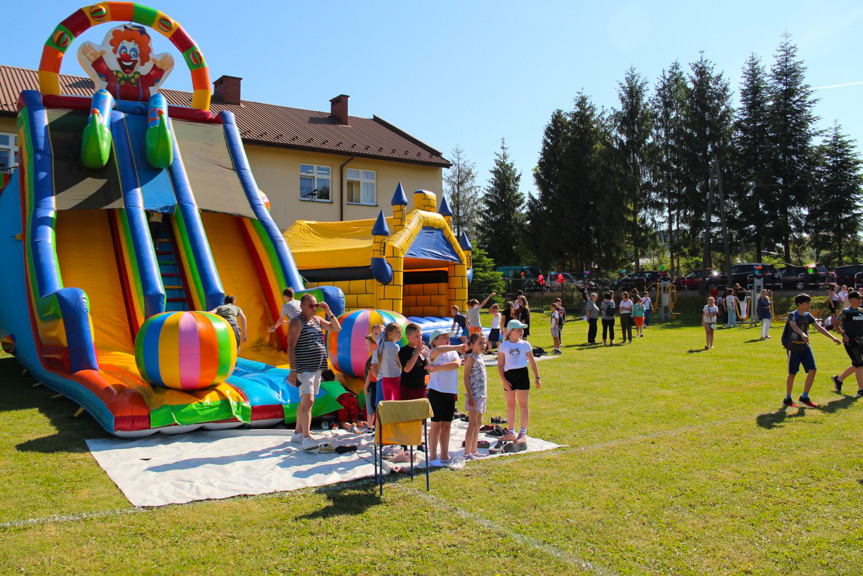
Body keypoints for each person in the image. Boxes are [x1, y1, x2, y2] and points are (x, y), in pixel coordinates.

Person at [287, 294, 341, 451]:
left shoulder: (317, 320)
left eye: (315, 305)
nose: (314, 308)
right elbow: (291, 347)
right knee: (309, 401)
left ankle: (297, 433)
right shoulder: (297, 322)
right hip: (304, 367)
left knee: (305, 401)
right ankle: (306, 437)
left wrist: (328, 310)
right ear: (302, 306)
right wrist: (292, 370)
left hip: (317, 367)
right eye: (310, 305)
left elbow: (336, 328)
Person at [783, 293, 840, 408]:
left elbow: (819, 328)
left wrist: (833, 338)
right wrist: (802, 333)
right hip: (794, 348)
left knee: (812, 370)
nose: (809, 305)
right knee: (792, 373)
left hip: (805, 348)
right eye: (807, 303)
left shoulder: (808, 316)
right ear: (799, 304)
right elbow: (793, 325)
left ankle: (805, 397)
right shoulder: (792, 315)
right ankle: (788, 398)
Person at [426, 329, 468, 467]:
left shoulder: (452, 352)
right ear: (435, 341)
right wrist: (457, 346)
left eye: (447, 337)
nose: (447, 340)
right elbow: (438, 350)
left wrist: (437, 367)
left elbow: (456, 364)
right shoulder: (434, 352)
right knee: (436, 425)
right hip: (436, 391)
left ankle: (444, 455)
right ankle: (432, 456)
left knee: (447, 425)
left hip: (450, 392)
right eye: (443, 337)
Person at [497, 320, 541, 447]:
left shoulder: (525, 344)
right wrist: (504, 381)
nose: (521, 332)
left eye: (522, 329)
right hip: (509, 377)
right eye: (518, 330)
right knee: (511, 405)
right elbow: (500, 365)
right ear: (511, 332)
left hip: (522, 375)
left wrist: (537, 377)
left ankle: (523, 433)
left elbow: (532, 361)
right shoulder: (504, 346)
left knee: (523, 405)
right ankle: (511, 432)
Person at [831, 291, 863, 398]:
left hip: (861, 341)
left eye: (861, 299)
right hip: (851, 342)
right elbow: (836, 324)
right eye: (858, 298)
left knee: (857, 363)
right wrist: (843, 334)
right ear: (851, 300)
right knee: (859, 364)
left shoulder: (861, 311)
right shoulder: (845, 312)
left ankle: (838, 379)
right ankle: (861, 389)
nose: (860, 300)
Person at [462, 333, 489, 460]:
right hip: (474, 395)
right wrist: (471, 396)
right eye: (480, 343)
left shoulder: (480, 357)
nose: (483, 346)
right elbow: (466, 377)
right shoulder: (471, 358)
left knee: (478, 423)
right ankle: (467, 452)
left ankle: (474, 449)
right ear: (472, 345)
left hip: (481, 395)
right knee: (472, 423)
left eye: (484, 343)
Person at [398, 323, 430, 401]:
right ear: (408, 337)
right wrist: (417, 352)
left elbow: (428, 368)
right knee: (408, 411)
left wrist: (428, 357)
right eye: (416, 336)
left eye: (420, 335)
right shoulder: (404, 350)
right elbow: (407, 369)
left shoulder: (423, 350)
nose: (420, 338)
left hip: (421, 386)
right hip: (408, 387)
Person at [376, 323, 403, 401]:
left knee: (387, 405)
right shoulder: (395, 347)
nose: (400, 334)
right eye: (398, 332)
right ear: (389, 334)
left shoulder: (381, 346)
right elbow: (400, 364)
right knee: (398, 403)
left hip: (385, 380)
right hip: (395, 379)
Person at [362, 335, 377, 429]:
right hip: (373, 384)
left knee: (370, 408)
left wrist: (366, 386)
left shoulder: (374, 358)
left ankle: (369, 427)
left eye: (368, 344)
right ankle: (371, 426)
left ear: (374, 344)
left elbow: (369, 374)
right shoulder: (374, 356)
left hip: (371, 385)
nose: (366, 346)